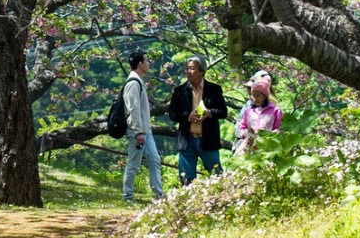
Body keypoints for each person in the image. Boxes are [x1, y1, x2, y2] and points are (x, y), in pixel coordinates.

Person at [168, 56, 229, 185]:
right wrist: (188, 116)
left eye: (192, 68)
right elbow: (172, 114)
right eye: (187, 69)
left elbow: (223, 112)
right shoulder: (179, 91)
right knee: (186, 178)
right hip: (187, 140)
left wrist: (210, 113)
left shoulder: (214, 89)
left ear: (201, 71)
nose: (188, 72)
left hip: (208, 140)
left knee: (216, 175)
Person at [120, 51, 164, 204]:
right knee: (134, 164)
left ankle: (159, 195)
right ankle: (128, 197)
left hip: (146, 131)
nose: (149, 63)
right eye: (147, 61)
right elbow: (134, 109)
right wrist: (138, 132)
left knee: (154, 160)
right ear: (140, 64)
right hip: (138, 131)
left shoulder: (138, 81)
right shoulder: (133, 83)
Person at [233, 69, 282, 156]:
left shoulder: (275, 110)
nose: (255, 98)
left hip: (267, 143)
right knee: (241, 158)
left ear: (265, 96)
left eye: (258, 96)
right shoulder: (248, 110)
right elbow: (242, 128)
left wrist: (268, 134)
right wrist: (247, 132)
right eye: (253, 96)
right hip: (250, 141)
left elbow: (279, 129)